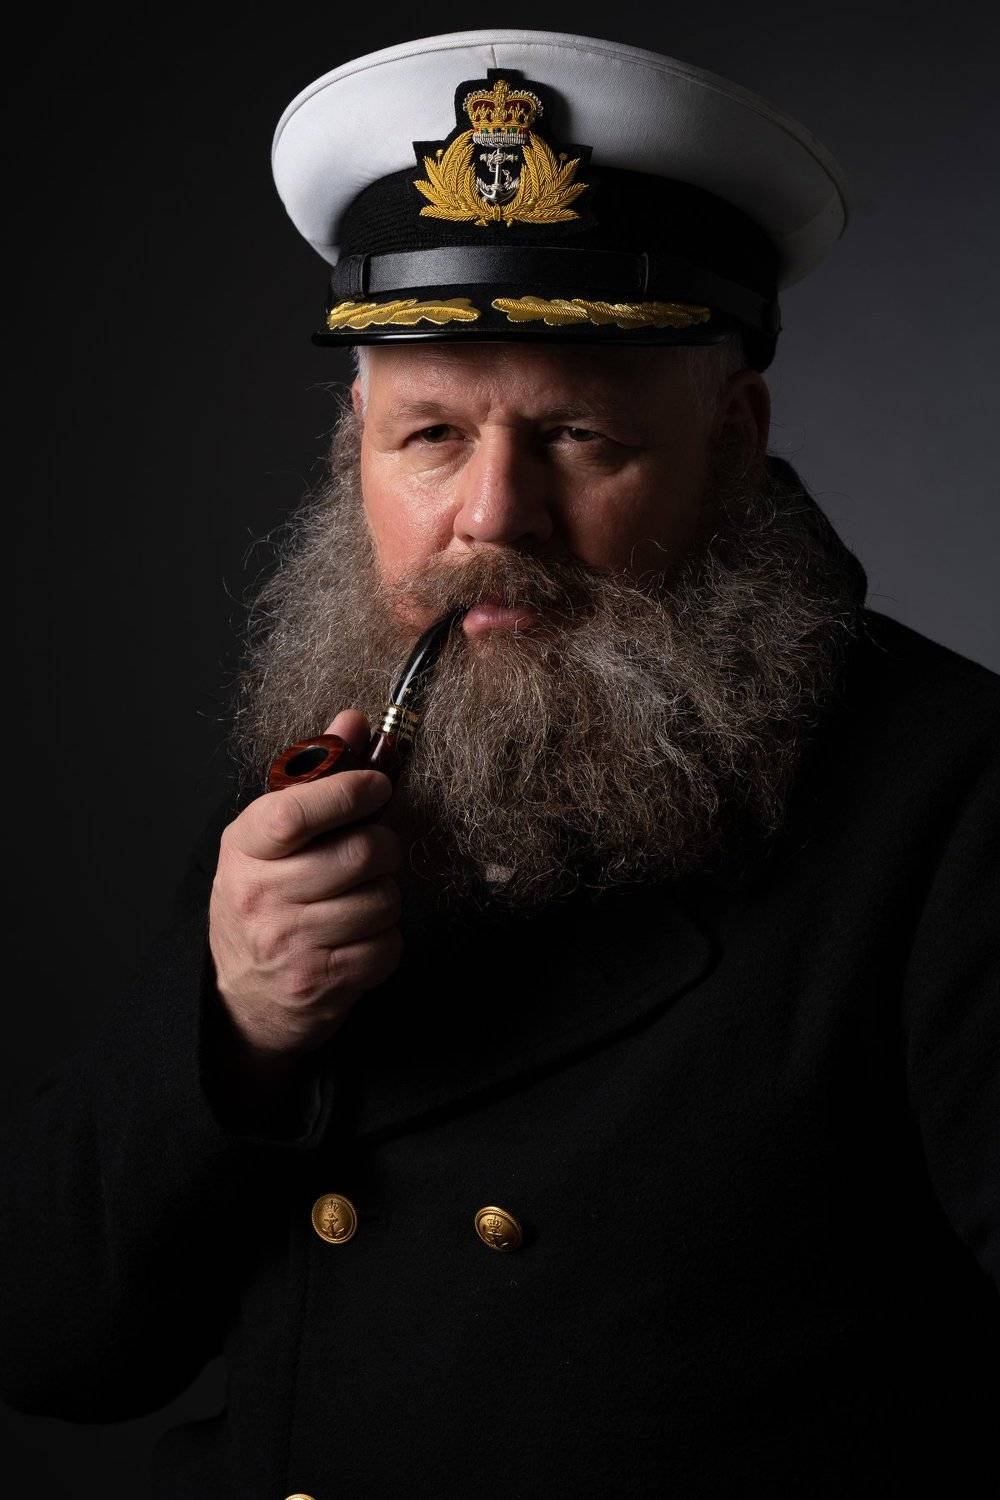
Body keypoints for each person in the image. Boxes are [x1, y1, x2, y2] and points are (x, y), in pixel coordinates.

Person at [1, 28, 997, 1500]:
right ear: (355, 444)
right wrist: (239, 1027)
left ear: (733, 441)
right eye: (429, 435)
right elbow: (56, 1350)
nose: (490, 515)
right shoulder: (333, 774)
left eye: (578, 434)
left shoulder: (957, 802)